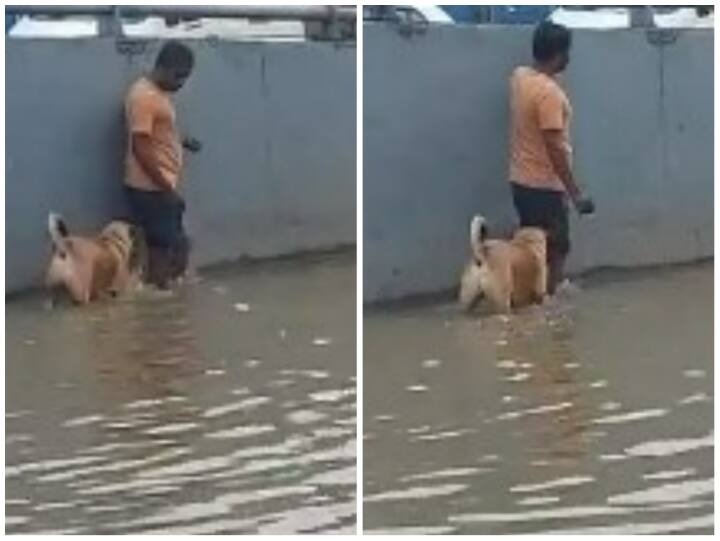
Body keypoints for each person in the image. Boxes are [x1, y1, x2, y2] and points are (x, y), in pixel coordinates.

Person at [508, 21, 594, 295]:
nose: (569, 58)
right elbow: (554, 147)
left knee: (533, 251)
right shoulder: (549, 95)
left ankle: (529, 297)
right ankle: (547, 308)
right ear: (558, 54)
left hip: (520, 182)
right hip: (544, 186)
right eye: (566, 52)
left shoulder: (521, 77)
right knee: (556, 251)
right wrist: (575, 193)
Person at [124, 40, 202, 289]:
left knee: (164, 247)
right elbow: (141, 147)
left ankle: (162, 300)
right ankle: (163, 302)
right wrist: (167, 190)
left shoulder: (156, 94)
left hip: (157, 187)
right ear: (164, 68)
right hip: (151, 189)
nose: (181, 83)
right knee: (172, 248)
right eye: (179, 76)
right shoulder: (144, 97)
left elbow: (155, 135)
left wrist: (180, 141)